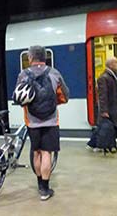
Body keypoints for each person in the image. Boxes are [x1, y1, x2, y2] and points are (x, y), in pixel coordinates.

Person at [15, 45, 69, 201]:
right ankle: (45, 190)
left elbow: (18, 97)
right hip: (51, 120)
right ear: (45, 58)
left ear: (30, 58)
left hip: (32, 122)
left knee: (36, 152)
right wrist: (54, 102)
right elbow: (65, 96)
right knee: (47, 153)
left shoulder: (23, 75)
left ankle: (39, 184)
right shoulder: (54, 73)